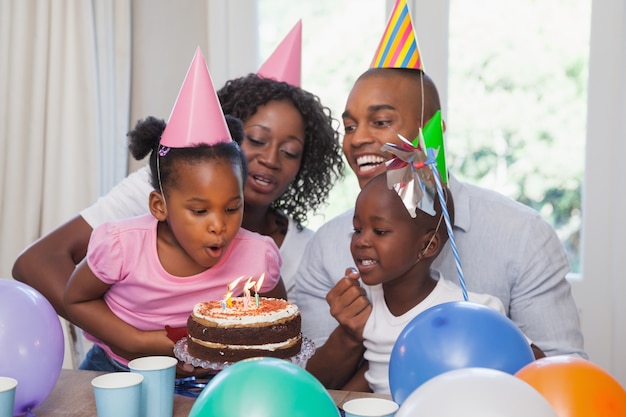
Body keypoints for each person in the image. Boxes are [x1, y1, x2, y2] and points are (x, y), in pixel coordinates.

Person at [296, 68, 585, 380]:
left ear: (431, 131)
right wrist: (350, 335)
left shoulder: (524, 235)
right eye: (350, 126)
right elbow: (312, 388)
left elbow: (561, 377)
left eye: (381, 122)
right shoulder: (327, 246)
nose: (358, 138)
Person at [12, 74, 344, 320]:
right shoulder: (153, 195)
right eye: (255, 140)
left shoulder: (286, 251)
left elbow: (282, 331)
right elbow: (35, 263)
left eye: (289, 151)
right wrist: (132, 339)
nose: (271, 159)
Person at [63, 49, 284, 373]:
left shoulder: (258, 257)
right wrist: (140, 343)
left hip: (213, 379)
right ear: (159, 205)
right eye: (199, 211)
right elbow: (76, 299)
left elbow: (276, 321)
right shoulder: (121, 246)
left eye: (232, 208)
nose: (219, 225)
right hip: (117, 368)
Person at [308, 171, 518, 394]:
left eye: (380, 231)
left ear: (428, 246)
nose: (361, 241)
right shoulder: (367, 306)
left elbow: (531, 362)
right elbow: (374, 375)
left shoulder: (472, 309)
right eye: (357, 230)